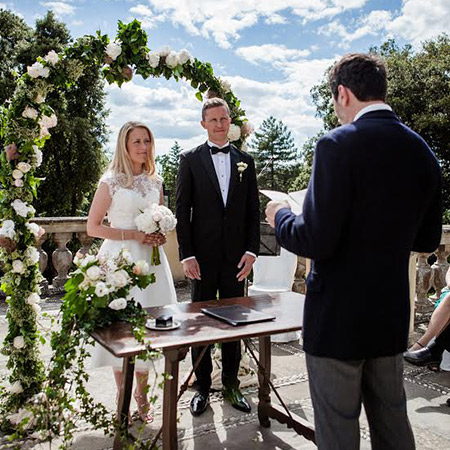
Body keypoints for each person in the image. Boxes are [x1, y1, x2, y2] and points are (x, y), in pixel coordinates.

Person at [265, 53, 442, 450]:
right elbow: (428, 240)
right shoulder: (422, 151)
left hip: (338, 320)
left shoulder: (336, 145)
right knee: (393, 425)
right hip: (390, 314)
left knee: (338, 432)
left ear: (343, 93)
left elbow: (314, 239)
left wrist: (279, 215)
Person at [87, 121, 177, 423]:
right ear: (124, 146)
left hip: (152, 263)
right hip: (120, 262)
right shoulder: (110, 181)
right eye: (136, 141)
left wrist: (158, 233)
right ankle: (123, 400)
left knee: (152, 328)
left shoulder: (155, 181)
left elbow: (158, 217)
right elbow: (93, 227)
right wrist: (135, 236)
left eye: (147, 141)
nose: (143, 147)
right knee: (123, 331)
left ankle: (143, 400)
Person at [176, 97, 260, 416]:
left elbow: (253, 211)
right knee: (201, 326)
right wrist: (187, 255)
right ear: (203, 124)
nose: (220, 124)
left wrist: (251, 251)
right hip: (202, 259)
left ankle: (231, 384)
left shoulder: (245, 161)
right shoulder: (190, 159)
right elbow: (182, 211)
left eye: (224, 119)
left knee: (233, 325)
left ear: (230, 121)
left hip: (236, 260)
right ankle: (202, 388)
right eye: (213, 120)